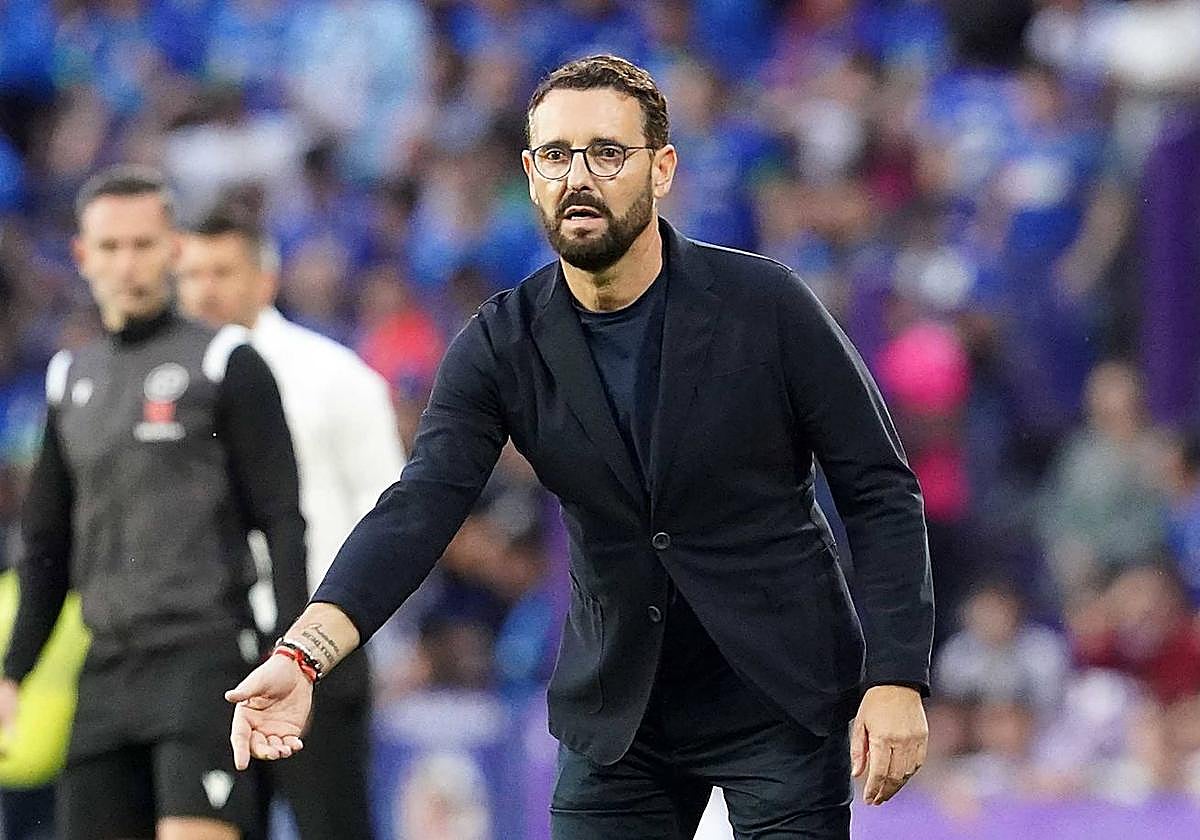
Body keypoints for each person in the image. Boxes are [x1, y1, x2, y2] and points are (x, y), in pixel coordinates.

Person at [228, 55, 934, 839]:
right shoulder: (501, 342)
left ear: (662, 169)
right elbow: (419, 507)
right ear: (531, 176)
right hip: (619, 710)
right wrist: (301, 655)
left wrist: (896, 676)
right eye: (556, 156)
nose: (579, 178)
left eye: (607, 153)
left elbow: (879, 489)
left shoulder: (767, 304)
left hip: (781, 691)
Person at [0, 165, 308, 840]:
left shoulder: (226, 360)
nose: (127, 264)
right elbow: (48, 545)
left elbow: (283, 520)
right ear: (82, 255)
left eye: (143, 245)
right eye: (110, 247)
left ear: (173, 249)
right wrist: (12, 673)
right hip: (107, 667)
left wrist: (291, 654)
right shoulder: (68, 377)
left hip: (205, 658)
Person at [176, 210, 405, 840]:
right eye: (191, 274)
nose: (204, 290)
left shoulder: (335, 378)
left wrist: (340, 627)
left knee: (331, 826)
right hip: (205, 646)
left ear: (265, 279)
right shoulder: (164, 385)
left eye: (222, 272)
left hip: (315, 642)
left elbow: (391, 514)